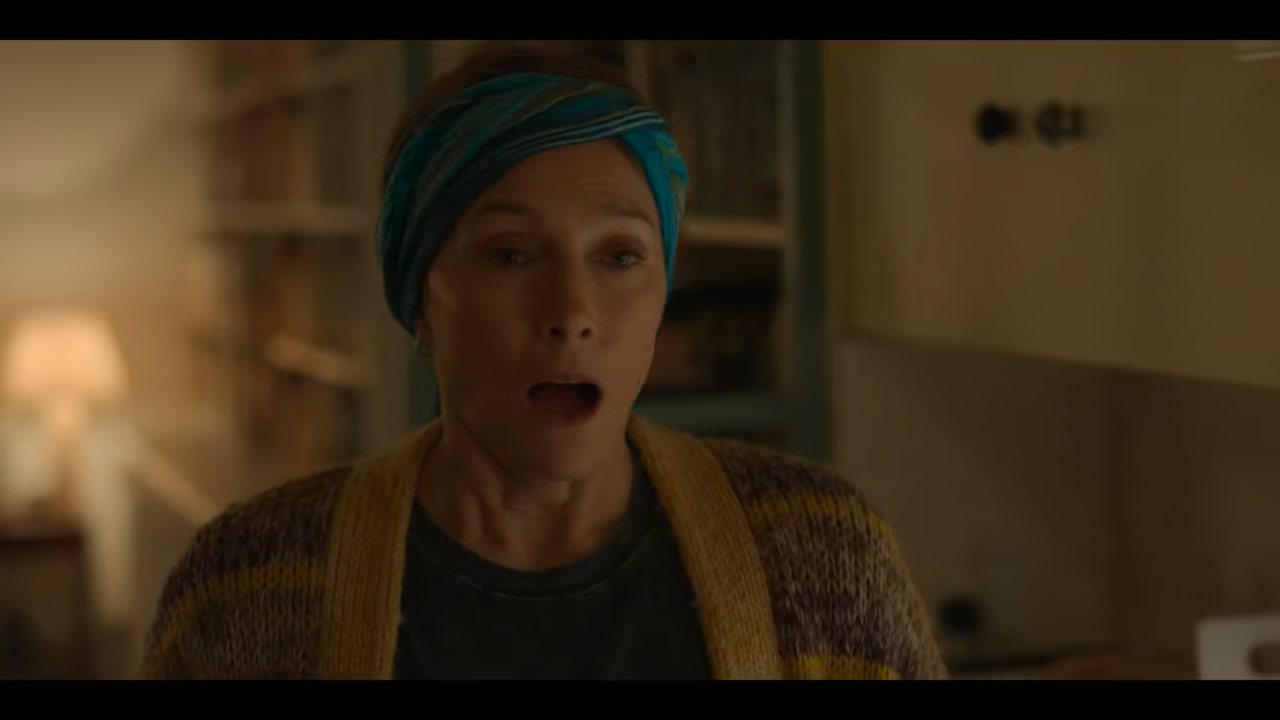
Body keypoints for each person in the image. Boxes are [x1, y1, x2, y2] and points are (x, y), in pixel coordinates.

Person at [139, 43, 946, 680]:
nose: (572, 314)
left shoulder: (823, 554)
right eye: (512, 254)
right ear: (421, 300)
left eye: (620, 256)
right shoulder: (248, 583)